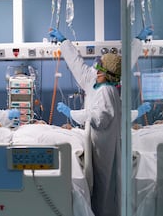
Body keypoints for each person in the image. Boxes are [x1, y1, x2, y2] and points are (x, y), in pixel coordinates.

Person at [50, 28, 122, 216]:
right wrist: (64, 42)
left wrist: (73, 113)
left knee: (104, 189)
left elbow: (99, 118)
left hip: (102, 147)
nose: (95, 69)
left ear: (106, 72)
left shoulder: (106, 91)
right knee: (101, 187)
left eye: (99, 68)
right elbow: (78, 66)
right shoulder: (102, 87)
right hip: (99, 143)